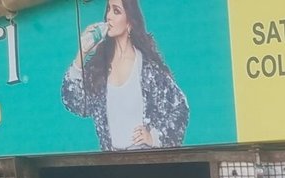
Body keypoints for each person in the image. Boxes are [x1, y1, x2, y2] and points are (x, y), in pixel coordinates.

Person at [62, 0, 190, 151]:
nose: (109, 16)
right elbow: (74, 102)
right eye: (108, 9)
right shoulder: (99, 68)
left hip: (147, 162)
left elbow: (180, 108)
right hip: (112, 166)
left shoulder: (149, 70)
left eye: (116, 11)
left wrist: (155, 137)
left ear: (130, 22)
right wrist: (82, 53)